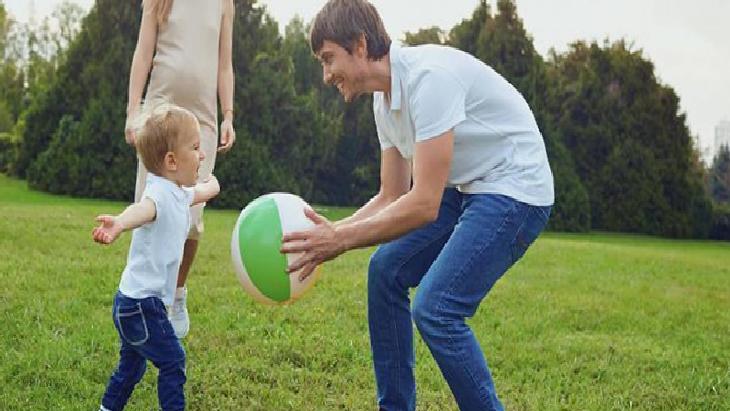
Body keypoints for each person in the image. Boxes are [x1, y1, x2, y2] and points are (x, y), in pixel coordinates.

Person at [280, 0, 554, 409]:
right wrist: (330, 233)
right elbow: (392, 195)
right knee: (385, 269)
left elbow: (424, 203)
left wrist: (339, 239)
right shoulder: (383, 101)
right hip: (466, 189)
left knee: (436, 309)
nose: (325, 75)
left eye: (328, 59)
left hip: (515, 190)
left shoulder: (429, 80)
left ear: (359, 45)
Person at [94, 103, 220, 411]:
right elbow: (142, 210)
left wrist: (213, 183)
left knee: (132, 368)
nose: (201, 155)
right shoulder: (159, 195)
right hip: (142, 306)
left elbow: (204, 191)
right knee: (174, 360)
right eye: (195, 148)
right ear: (172, 161)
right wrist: (120, 223)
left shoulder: (178, 191)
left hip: (131, 303)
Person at [124, 0, 236, 338]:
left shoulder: (223, 4)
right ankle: (144, 298)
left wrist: (228, 114)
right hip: (159, 113)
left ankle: (176, 294)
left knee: (191, 218)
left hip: (202, 119)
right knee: (152, 210)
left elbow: (224, 64)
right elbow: (143, 53)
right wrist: (133, 110)